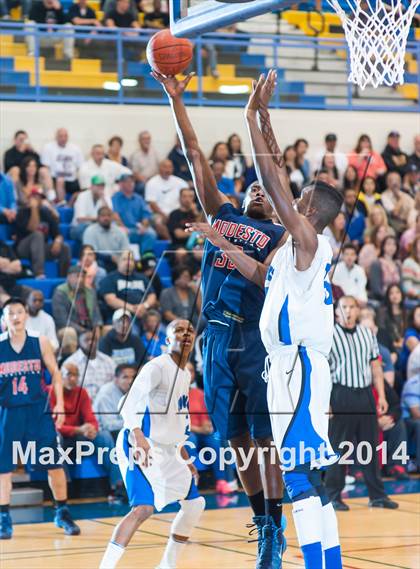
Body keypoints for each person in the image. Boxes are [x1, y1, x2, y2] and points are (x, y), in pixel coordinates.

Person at [189, 70, 345, 568]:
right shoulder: (281, 250)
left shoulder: (301, 240)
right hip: (268, 359)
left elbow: (274, 175)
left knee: (297, 475)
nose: (283, 198)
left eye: (296, 202)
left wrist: (248, 117)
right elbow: (255, 267)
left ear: (304, 212)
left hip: (293, 363)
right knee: (298, 472)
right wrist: (263, 115)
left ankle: (309, 553)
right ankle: (323, 557)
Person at [153, 69, 287, 565]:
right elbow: (192, 154)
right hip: (216, 341)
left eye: (264, 189)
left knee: (264, 439)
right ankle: (261, 517)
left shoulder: (280, 240)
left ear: (277, 206)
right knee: (235, 441)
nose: (256, 189)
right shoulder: (224, 214)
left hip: (256, 341)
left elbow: (263, 281)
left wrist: (223, 242)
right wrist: (176, 99)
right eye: (250, 186)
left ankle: (276, 525)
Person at [99, 320, 205, 569]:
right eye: (178, 330)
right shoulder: (156, 367)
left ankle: (167, 565)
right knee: (143, 509)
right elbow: (127, 402)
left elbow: (178, 422)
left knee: (194, 504)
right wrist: (138, 437)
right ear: (167, 341)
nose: (185, 334)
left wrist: (185, 457)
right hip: (139, 444)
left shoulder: (186, 373)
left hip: (168, 450)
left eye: (189, 330)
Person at [0, 298, 80, 540]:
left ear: (26, 315)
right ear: (4, 319)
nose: (15, 316)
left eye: (19, 312)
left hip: (37, 411)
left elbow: (56, 374)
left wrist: (60, 406)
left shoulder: (40, 341)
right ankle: (4, 518)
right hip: (8, 412)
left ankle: (62, 511)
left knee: (53, 464)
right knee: (3, 469)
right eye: (10, 313)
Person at [326, 295, 398, 511]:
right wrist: (326, 402)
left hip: (365, 394)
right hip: (341, 394)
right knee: (339, 448)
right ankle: (333, 496)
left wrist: (382, 396)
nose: (348, 311)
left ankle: (377, 495)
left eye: (351, 307)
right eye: (344, 307)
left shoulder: (367, 334)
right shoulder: (329, 334)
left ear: (358, 311)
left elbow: (376, 367)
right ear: (337, 311)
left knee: (370, 447)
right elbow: (321, 373)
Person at [50, 362, 124, 502]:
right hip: (61, 438)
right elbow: (53, 427)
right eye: (68, 375)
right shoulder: (50, 392)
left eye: (76, 375)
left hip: (78, 437)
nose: (72, 378)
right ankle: (64, 490)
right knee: (56, 438)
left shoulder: (81, 392)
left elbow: (91, 418)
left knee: (104, 436)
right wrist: (79, 429)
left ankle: (117, 486)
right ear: (60, 376)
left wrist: (92, 429)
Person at [15, 188, 71, 278]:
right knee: (38, 234)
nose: (38, 200)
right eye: (35, 197)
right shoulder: (22, 212)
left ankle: (65, 277)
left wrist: (57, 241)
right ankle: (39, 273)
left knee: (65, 248)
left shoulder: (45, 213)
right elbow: (33, 228)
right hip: (23, 249)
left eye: (40, 198)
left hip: (39, 250)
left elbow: (57, 234)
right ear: (30, 199)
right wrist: (34, 209)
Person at [99, 249, 157, 322]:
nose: (128, 262)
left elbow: (152, 296)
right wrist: (132, 308)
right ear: (118, 261)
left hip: (144, 313)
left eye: (131, 260)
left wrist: (144, 306)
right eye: (125, 259)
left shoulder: (142, 278)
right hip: (122, 316)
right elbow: (110, 300)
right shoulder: (110, 278)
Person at [111, 171, 157, 255]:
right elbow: (115, 215)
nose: (130, 184)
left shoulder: (139, 198)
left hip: (137, 228)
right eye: (127, 182)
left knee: (150, 233)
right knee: (120, 232)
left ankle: (145, 257)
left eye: (132, 181)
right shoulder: (115, 197)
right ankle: (124, 257)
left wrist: (144, 226)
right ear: (121, 184)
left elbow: (146, 214)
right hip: (122, 228)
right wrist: (123, 227)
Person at [63, 329, 116, 400]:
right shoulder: (70, 363)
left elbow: (116, 385)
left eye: (94, 339)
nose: (91, 342)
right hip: (81, 405)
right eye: (86, 340)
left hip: (106, 405)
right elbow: (67, 389)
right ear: (79, 343)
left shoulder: (109, 361)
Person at [52, 265, 103, 337]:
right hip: (71, 328)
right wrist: (84, 331)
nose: (81, 279)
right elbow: (62, 320)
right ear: (69, 277)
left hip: (89, 326)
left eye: (83, 276)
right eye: (77, 276)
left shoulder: (90, 291)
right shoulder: (60, 293)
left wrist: (97, 327)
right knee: (70, 332)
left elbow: (96, 313)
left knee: (109, 330)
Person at [93, 363, 136, 440]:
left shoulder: (135, 391)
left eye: (133, 377)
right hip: (103, 433)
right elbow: (108, 425)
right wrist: (134, 424)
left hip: (124, 429)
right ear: (116, 380)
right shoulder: (106, 393)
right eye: (125, 377)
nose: (130, 381)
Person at [145, 160, 189, 233]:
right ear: (159, 168)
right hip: (160, 213)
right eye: (165, 167)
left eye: (170, 167)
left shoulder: (181, 182)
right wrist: (163, 215)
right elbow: (152, 203)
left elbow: (188, 196)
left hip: (178, 213)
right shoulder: (152, 183)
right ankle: (170, 242)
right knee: (158, 222)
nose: (167, 169)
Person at [41, 128, 83, 198]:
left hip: (71, 179)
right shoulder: (48, 148)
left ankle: (63, 204)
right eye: (61, 136)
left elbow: (81, 167)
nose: (63, 138)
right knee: (60, 180)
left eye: (65, 136)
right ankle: (60, 202)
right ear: (56, 137)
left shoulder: (76, 149)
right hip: (54, 179)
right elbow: (46, 166)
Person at [71, 175, 110, 242]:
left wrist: (102, 199)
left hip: (98, 227)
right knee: (86, 230)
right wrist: (99, 219)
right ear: (91, 186)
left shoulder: (105, 197)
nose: (100, 188)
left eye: (102, 186)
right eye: (97, 185)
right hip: (79, 227)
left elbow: (109, 216)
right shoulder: (82, 196)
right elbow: (80, 219)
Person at [369, 236, 402, 301]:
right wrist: (389, 298)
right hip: (382, 298)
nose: (391, 247)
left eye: (394, 244)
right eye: (388, 244)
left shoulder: (398, 264)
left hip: (397, 298)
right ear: (383, 246)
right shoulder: (376, 264)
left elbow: (400, 285)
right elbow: (376, 288)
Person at [0, 241, 27, 307]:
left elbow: (18, 267)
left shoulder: (3, 245)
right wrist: (8, 264)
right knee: (9, 303)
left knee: (35, 296)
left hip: (11, 285)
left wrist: (2, 266)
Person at [402, 235, 420, 301]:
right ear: (415, 246)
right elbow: (406, 286)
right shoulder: (409, 263)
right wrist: (417, 294)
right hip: (414, 298)